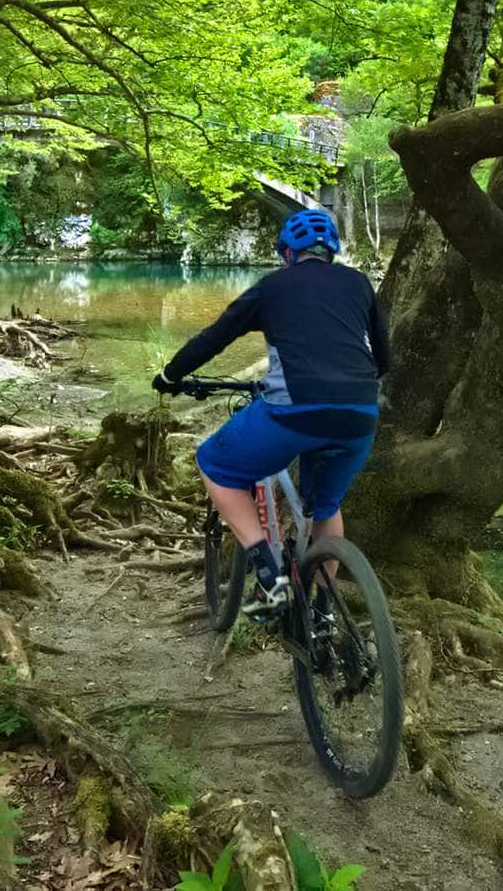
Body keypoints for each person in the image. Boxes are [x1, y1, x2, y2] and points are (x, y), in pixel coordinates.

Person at [153, 208, 389, 611]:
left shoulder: (271, 288)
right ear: (330, 251)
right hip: (360, 413)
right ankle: (323, 612)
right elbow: (383, 358)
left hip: (294, 411)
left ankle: (268, 573)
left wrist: (171, 375)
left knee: (215, 465)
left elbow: (214, 339)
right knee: (327, 507)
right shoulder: (359, 283)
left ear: (287, 253)